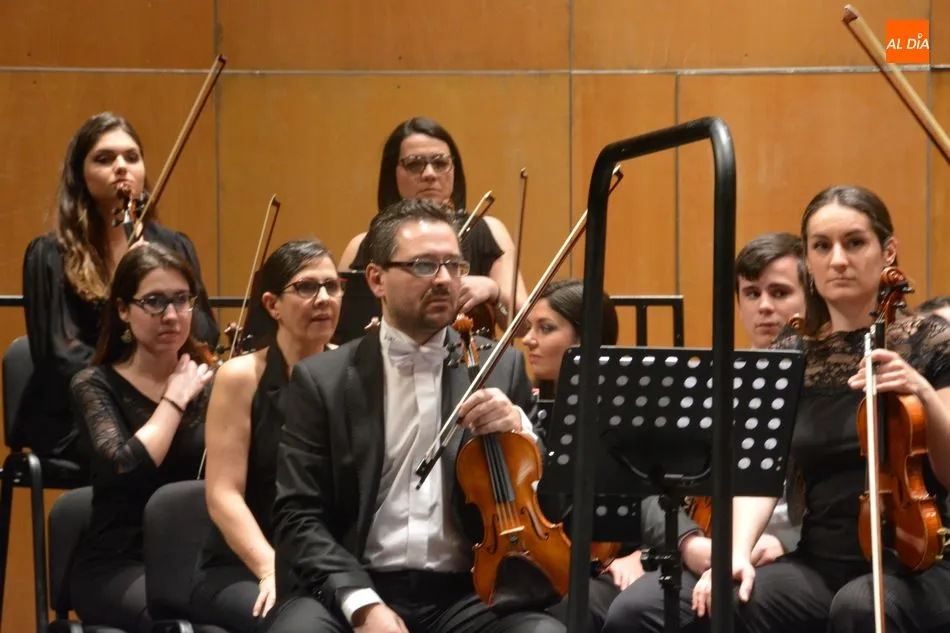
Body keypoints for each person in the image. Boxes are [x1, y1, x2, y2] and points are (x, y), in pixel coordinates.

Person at [612, 184, 950, 633]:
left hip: (922, 562)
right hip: (821, 563)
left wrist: (921, 391)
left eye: (854, 243)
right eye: (822, 246)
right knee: (692, 606)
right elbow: (760, 471)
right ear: (808, 260)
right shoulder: (790, 354)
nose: (838, 260)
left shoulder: (932, 342)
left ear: (888, 251)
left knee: (861, 607)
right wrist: (735, 554)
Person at [261, 199, 565, 633]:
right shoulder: (322, 380)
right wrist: (363, 606)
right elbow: (297, 515)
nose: (443, 279)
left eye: (453, 265)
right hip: (353, 584)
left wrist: (522, 430)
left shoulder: (500, 366)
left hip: (467, 593)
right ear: (376, 279)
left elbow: (553, 503)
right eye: (423, 265)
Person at [599, 232, 812, 633]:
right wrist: (689, 543)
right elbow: (650, 484)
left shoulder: (825, 388)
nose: (764, 306)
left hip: (793, 553)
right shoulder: (707, 386)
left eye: (780, 292)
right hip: (712, 546)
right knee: (632, 612)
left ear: (809, 298)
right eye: (751, 294)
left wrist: (788, 541)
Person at [19, 111, 218, 464]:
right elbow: (59, 355)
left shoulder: (173, 247)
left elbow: (203, 331)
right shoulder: (50, 254)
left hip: (165, 395)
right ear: (80, 174)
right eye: (104, 158)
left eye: (132, 157)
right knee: (164, 449)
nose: (121, 167)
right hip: (81, 409)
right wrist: (132, 383)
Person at [190, 239, 343, 633]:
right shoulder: (240, 377)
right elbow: (223, 494)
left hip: (325, 564)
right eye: (306, 287)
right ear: (273, 305)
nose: (323, 298)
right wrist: (268, 568)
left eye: (332, 286)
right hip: (244, 566)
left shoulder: (353, 370)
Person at [67, 243, 215, 633]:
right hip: (119, 564)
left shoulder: (212, 382)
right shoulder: (93, 385)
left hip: (199, 560)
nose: (171, 315)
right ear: (122, 309)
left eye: (181, 300)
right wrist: (174, 399)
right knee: (194, 625)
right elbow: (126, 466)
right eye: (154, 301)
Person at [338, 116, 528, 331]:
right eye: (414, 164)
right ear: (392, 173)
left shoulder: (488, 231)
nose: (429, 174)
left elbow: (527, 326)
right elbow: (340, 329)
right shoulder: (361, 246)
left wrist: (493, 290)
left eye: (440, 163)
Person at [522, 278, 631, 632]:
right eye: (529, 327)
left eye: (545, 328)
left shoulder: (622, 412)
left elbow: (655, 499)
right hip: (543, 565)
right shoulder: (528, 409)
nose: (528, 339)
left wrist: (639, 557)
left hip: (610, 566)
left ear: (585, 341)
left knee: (565, 613)